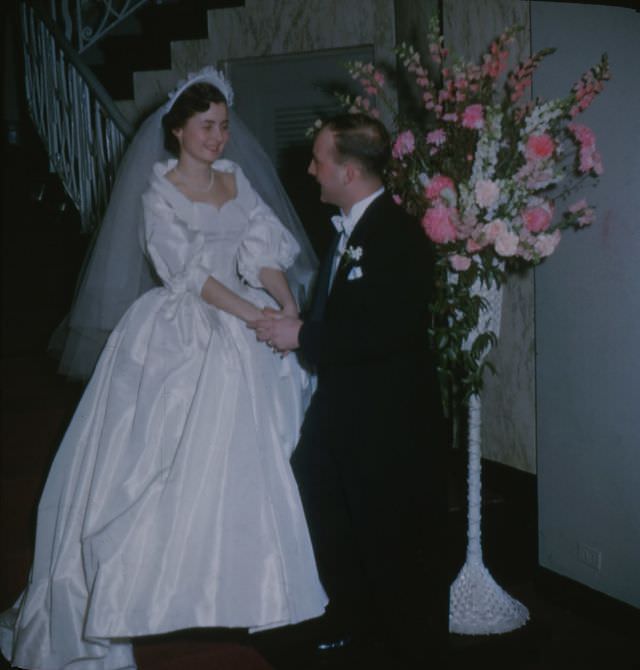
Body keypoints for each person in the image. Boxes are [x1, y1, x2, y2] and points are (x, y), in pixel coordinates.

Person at [0, 68, 327, 670]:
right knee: (150, 463)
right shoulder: (158, 194)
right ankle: (129, 587)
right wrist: (253, 317)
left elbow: (263, 249)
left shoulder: (235, 180)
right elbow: (192, 277)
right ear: (177, 129)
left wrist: (281, 304)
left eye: (224, 127)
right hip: (188, 326)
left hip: (248, 316)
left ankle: (244, 574)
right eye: (206, 127)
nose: (219, 138)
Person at [250, 113, 448, 666]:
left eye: (319, 160)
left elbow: (389, 329)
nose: (310, 169)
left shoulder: (398, 235)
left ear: (351, 171)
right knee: (320, 497)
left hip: (386, 420)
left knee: (387, 536)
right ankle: (349, 616)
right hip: (342, 409)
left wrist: (303, 336)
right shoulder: (346, 228)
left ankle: (404, 642)